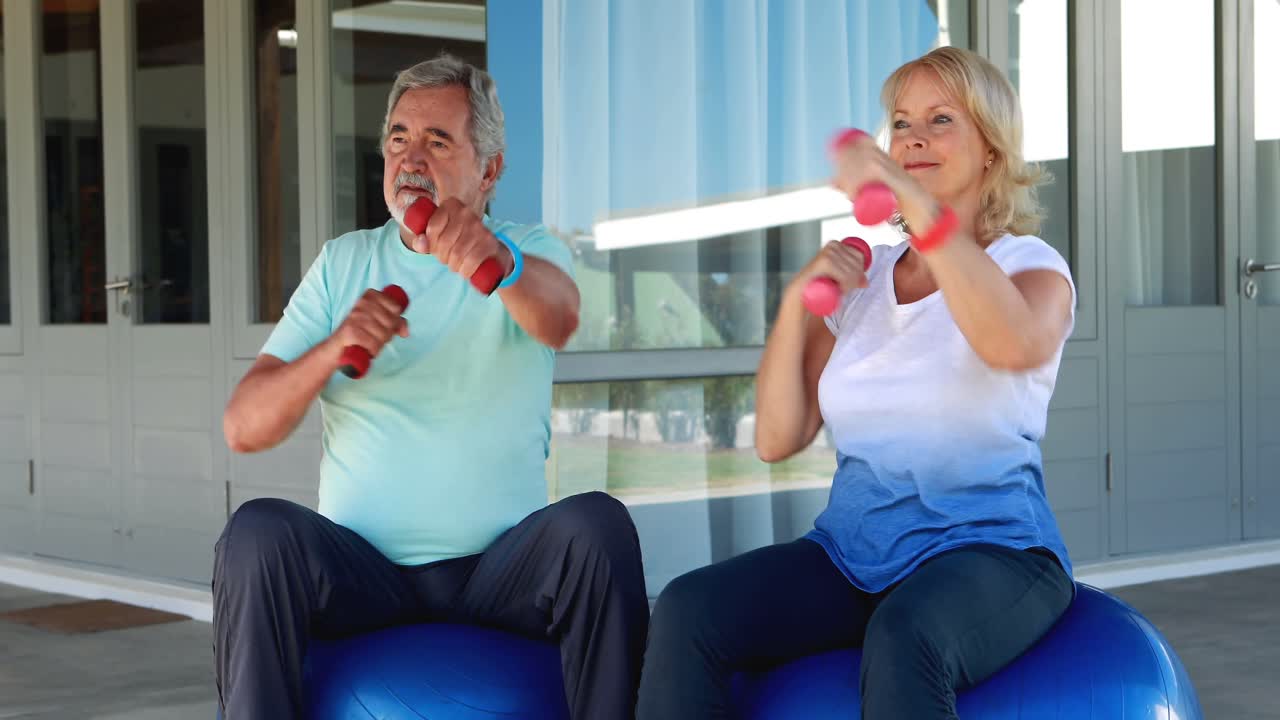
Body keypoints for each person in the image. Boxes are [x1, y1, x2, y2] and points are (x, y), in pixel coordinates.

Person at [636, 46, 1078, 720]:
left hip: (992, 552)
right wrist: (796, 304)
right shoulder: (867, 278)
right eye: (901, 124)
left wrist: (914, 202)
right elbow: (778, 438)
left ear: (991, 148)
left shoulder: (1031, 268)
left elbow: (1009, 343)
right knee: (689, 609)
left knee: (906, 636)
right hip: (852, 556)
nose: (915, 137)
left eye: (940, 120)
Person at [213, 54, 648, 720]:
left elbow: (558, 317)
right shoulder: (344, 263)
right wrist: (332, 349)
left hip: (500, 572)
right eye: (397, 138)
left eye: (436, 141)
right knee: (255, 535)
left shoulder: (527, 248)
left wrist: (498, 267)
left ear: (489, 170)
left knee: (597, 526)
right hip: (364, 575)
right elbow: (245, 426)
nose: (409, 158)